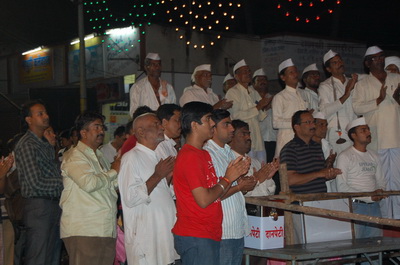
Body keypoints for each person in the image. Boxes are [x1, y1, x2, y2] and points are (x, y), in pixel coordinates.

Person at [172, 102, 249, 265]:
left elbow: (215, 192)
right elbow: (204, 199)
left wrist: (234, 178)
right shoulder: (189, 156)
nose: (212, 123)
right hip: (196, 234)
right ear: (194, 125)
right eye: (207, 119)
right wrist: (228, 178)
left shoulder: (202, 154)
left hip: (209, 232)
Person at [60, 111, 121, 265]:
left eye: (102, 127)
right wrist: (114, 171)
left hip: (105, 229)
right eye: (96, 127)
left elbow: (112, 185)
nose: (101, 131)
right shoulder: (75, 155)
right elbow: (89, 183)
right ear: (83, 133)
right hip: (85, 229)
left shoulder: (99, 156)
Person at [118, 113, 179, 265]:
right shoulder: (131, 158)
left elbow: (163, 193)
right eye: (156, 125)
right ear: (140, 132)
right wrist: (158, 175)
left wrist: (167, 177)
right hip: (146, 239)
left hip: (163, 234)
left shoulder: (157, 156)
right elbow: (130, 198)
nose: (161, 127)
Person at [352, 46, 400, 219]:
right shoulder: (363, 84)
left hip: (397, 138)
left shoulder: (396, 77)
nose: (379, 60)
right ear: (367, 63)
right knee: (383, 184)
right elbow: (356, 106)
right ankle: (388, 222)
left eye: (381, 57)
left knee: (398, 182)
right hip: (377, 141)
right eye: (375, 58)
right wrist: (378, 100)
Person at [14, 100, 63, 265]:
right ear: (29, 120)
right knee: (39, 258)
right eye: (40, 114)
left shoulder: (44, 143)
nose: (46, 116)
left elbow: (54, 171)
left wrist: (52, 148)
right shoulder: (27, 145)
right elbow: (35, 183)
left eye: (45, 112)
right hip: (39, 207)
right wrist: (64, 182)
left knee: (52, 257)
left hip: (52, 205)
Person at [204, 110, 254, 265]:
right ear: (213, 128)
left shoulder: (229, 153)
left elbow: (236, 187)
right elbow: (211, 195)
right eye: (226, 124)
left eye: (231, 124)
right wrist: (239, 187)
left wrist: (249, 183)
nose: (232, 128)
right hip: (222, 230)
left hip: (236, 227)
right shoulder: (207, 154)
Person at [336, 117, 387, 240]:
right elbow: (341, 187)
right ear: (353, 135)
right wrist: (368, 197)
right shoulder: (345, 156)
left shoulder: (374, 156)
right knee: (353, 248)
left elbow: (381, 181)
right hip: (355, 207)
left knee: (375, 247)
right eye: (363, 130)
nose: (368, 133)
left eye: (368, 130)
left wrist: (380, 192)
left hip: (374, 207)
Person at [280, 110, 341, 194]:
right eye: (308, 122)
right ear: (297, 127)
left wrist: (329, 174)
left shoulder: (316, 147)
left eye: (313, 122)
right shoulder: (290, 149)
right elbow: (289, 180)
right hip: (302, 203)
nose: (313, 125)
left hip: (321, 200)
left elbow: (318, 176)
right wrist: (319, 174)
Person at [226, 59, 270, 163]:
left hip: (257, 137)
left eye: (249, 71)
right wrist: (258, 107)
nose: (248, 73)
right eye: (244, 71)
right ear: (236, 76)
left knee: (261, 166)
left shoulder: (253, 91)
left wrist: (263, 106)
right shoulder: (233, 92)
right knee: (246, 167)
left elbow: (260, 117)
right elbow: (236, 116)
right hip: (242, 138)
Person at [318, 49, 358, 155]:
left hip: (355, 130)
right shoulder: (325, 86)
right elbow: (324, 111)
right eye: (335, 63)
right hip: (337, 133)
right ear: (328, 69)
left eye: (340, 61)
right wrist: (345, 95)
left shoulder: (352, 82)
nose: (339, 64)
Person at [229, 119, 278, 197]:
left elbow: (269, 192)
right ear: (231, 137)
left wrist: (267, 178)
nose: (248, 137)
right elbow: (237, 195)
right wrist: (256, 180)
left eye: (248, 134)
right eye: (243, 134)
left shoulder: (255, 162)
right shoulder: (229, 163)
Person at [272, 58, 308, 158]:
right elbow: (276, 123)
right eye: (291, 72)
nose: (295, 74)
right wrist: (298, 123)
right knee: (286, 171)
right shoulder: (280, 97)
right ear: (283, 77)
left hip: (304, 140)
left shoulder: (303, 94)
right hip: (287, 141)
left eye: (296, 71)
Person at [252, 68, 277, 163]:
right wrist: (263, 107)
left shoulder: (274, 98)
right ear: (254, 84)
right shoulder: (251, 99)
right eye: (259, 80)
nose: (263, 82)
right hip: (258, 140)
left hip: (274, 139)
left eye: (264, 80)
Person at [312, 112, 337, 192]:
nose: (325, 128)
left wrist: (330, 165)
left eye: (326, 125)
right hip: (311, 190)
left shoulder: (329, 146)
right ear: (313, 126)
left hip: (327, 189)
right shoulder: (305, 146)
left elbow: (331, 177)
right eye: (321, 124)